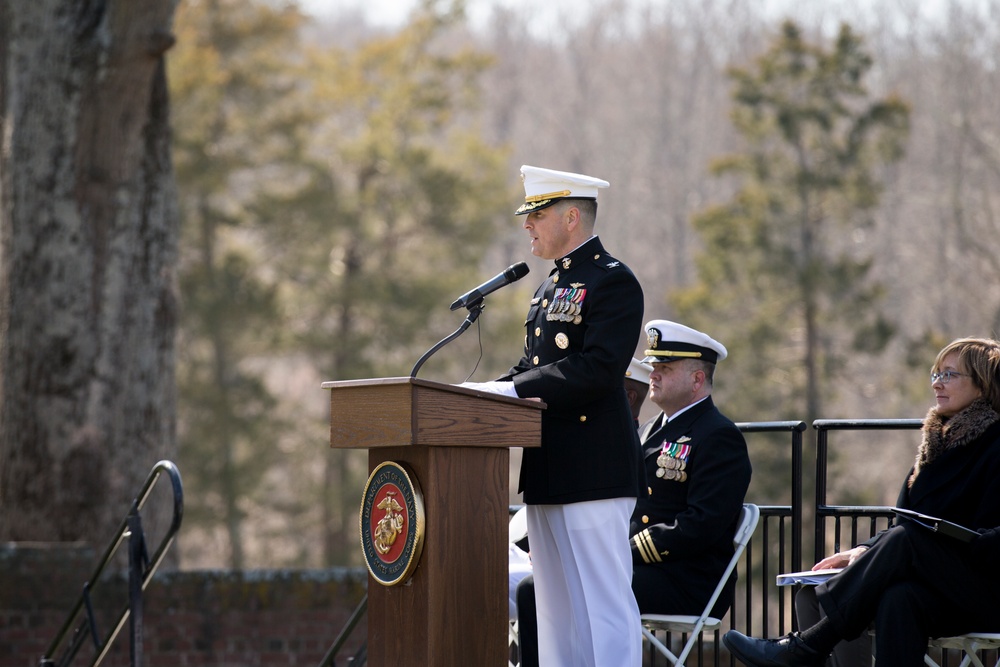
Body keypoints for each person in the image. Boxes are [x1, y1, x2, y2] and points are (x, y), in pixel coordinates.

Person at [463, 164, 645, 667]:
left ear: (570, 217)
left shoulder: (614, 281)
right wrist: (482, 393)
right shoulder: (547, 288)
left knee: (604, 606)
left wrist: (512, 389)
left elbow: (599, 368)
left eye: (536, 214)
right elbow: (533, 367)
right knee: (555, 610)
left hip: (595, 468)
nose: (527, 225)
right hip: (548, 468)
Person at [723, 337, 1000, 667]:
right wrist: (866, 550)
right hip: (940, 587)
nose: (937, 383)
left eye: (949, 375)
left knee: (907, 541)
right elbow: (907, 520)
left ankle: (807, 647)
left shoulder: (996, 444)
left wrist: (953, 543)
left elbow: (930, 537)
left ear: (982, 386)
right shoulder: (935, 447)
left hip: (987, 587)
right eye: (935, 374)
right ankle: (806, 647)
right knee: (898, 599)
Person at [510, 357, 652, 667]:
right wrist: (491, 390)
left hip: (593, 477)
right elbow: (534, 360)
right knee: (552, 616)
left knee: (603, 613)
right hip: (549, 470)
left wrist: (511, 389)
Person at [630, 319, 752, 617]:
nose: (653, 375)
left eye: (665, 369)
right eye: (653, 367)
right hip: (644, 569)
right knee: (538, 588)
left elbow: (700, 524)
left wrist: (624, 552)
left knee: (574, 587)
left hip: (686, 581)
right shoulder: (649, 429)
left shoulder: (719, 436)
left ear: (697, 380)